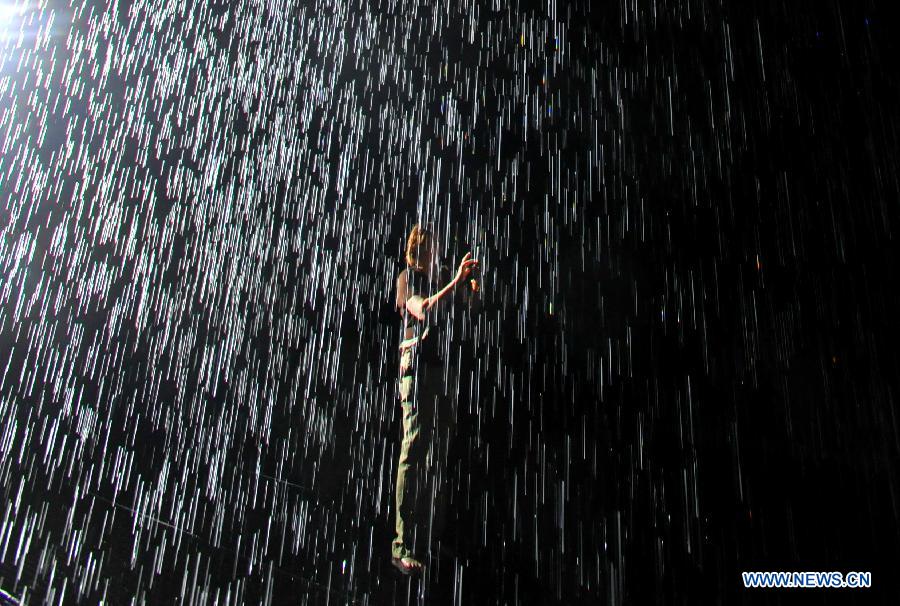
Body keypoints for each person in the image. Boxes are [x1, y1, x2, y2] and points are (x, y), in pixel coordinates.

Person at [391, 224, 480, 575]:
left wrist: (472, 290)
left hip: (439, 371)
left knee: (439, 454)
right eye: (431, 247)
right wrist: (456, 282)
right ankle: (401, 544)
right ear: (420, 249)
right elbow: (423, 308)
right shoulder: (407, 278)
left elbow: (469, 310)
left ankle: (433, 537)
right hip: (415, 369)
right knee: (413, 448)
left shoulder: (442, 275)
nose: (437, 252)